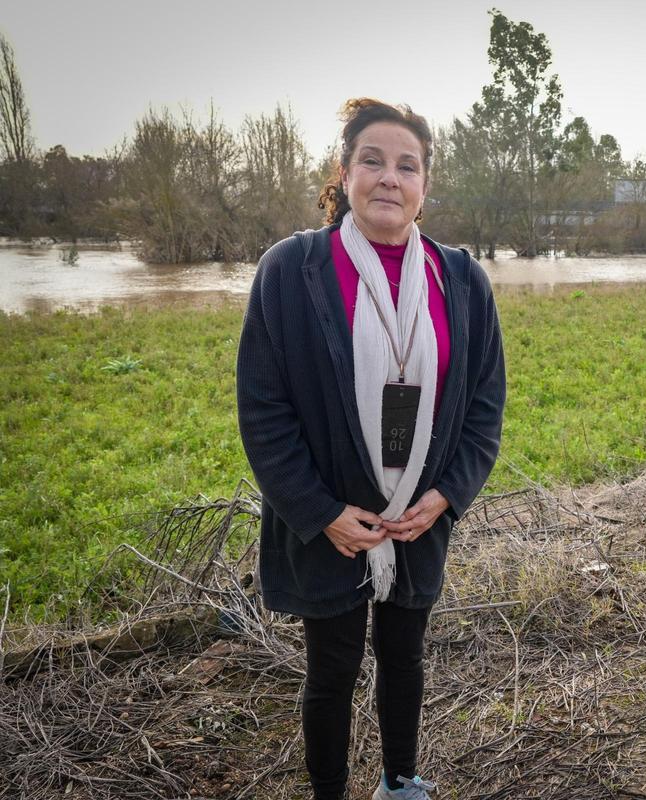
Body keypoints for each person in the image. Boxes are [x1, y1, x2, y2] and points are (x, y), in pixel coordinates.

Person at [236, 98, 505, 800]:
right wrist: (320, 511)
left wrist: (445, 498)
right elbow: (264, 413)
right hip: (333, 524)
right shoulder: (291, 270)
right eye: (373, 161)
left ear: (425, 186)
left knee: (405, 657)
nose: (390, 178)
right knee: (330, 670)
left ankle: (400, 782)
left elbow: (483, 408)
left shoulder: (464, 282)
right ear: (344, 173)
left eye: (407, 166)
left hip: (418, 518)